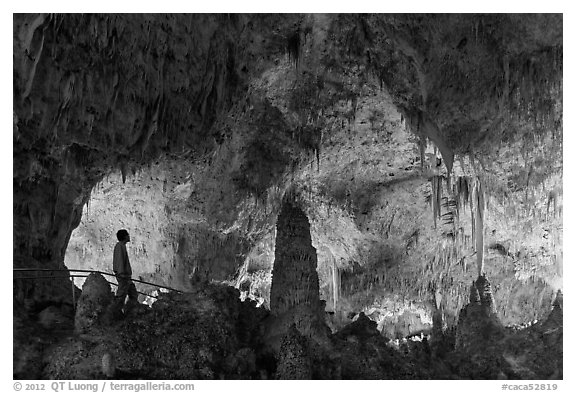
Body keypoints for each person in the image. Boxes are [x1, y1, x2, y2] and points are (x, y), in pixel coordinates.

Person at [113, 229, 138, 312]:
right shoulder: (119, 246)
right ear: (124, 236)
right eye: (127, 235)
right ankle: (115, 312)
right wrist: (121, 273)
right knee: (121, 296)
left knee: (133, 294)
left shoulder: (121, 246)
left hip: (126, 276)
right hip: (123, 276)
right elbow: (120, 260)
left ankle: (130, 310)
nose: (129, 236)